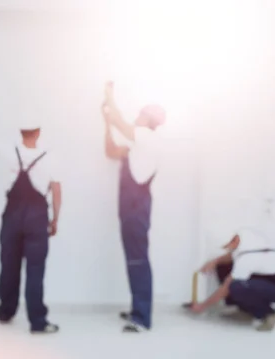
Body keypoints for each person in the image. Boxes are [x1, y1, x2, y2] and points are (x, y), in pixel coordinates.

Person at [0, 99, 61, 334]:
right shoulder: (50, 157)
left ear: (21, 132)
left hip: (12, 218)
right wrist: (55, 220)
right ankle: (38, 322)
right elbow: (57, 190)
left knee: (9, 266)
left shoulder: (10, 151)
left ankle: (5, 312)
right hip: (38, 219)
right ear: (38, 132)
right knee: (35, 270)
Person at [102, 81, 166, 332]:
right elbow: (110, 151)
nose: (136, 117)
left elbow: (120, 121)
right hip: (129, 209)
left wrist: (109, 96)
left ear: (148, 120)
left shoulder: (148, 138)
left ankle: (141, 317)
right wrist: (106, 122)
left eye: (140, 114)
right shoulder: (139, 145)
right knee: (133, 259)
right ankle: (137, 309)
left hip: (136, 208)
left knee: (138, 260)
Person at [190, 227, 275, 331]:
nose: (231, 244)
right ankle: (245, 312)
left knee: (235, 287)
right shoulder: (250, 247)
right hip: (265, 282)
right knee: (224, 267)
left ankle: (270, 314)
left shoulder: (248, 258)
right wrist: (214, 262)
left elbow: (226, 288)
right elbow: (230, 256)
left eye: (234, 240)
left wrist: (203, 306)